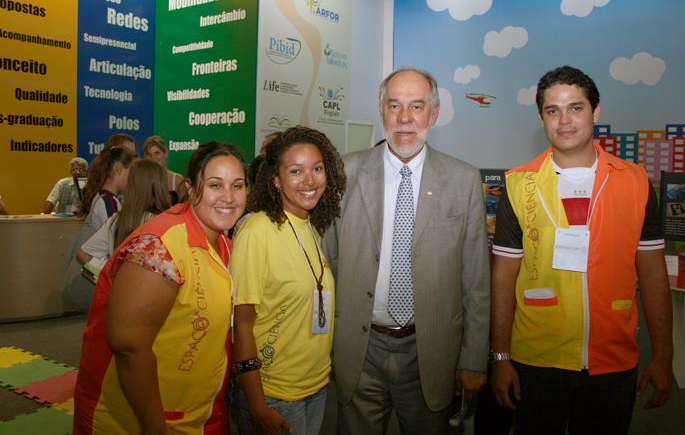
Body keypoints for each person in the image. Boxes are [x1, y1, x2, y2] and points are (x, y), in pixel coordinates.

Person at [490, 66, 672, 434]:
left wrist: (664, 355)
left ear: (595, 112)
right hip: (537, 357)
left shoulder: (635, 182)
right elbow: (503, 276)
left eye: (576, 108)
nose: (564, 121)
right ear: (541, 118)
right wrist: (500, 356)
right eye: (553, 110)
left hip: (613, 357)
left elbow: (654, 274)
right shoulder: (517, 185)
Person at [322, 68, 490, 434]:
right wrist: (324, 343)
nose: (404, 118)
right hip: (359, 348)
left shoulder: (463, 180)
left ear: (434, 113)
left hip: (431, 352)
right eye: (394, 105)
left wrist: (475, 357)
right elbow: (327, 265)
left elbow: (475, 280)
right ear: (381, 110)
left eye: (417, 106)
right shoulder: (344, 173)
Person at [73, 141, 249, 435]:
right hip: (144, 418)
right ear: (190, 189)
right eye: (215, 185)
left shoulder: (223, 244)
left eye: (238, 185)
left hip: (197, 411)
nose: (229, 197)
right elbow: (129, 346)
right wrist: (155, 427)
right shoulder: (159, 247)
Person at [230, 126, 346, 435]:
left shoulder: (312, 227)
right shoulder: (257, 232)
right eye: (296, 171)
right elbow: (241, 325)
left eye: (317, 168)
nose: (309, 180)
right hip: (273, 393)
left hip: (316, 386)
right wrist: (258, 407)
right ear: (276, 179)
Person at [75, 159, 172, 275]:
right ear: (161, 186)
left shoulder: (116, 220)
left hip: (120, 284)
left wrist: (109, 275)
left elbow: (82, 254)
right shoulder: (168, 222)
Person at [77, 146, 138, 232]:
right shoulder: (108, 202)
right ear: (119, 168)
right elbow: (115, 237)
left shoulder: (105, 197)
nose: (133, 177)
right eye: (132, 172)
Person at [144, 135, 185, 205]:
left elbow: (185, 208)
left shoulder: (177, 179)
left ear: (165, 153)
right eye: (148, 154)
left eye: (156, 153)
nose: (153, 158)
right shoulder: (141, 180)